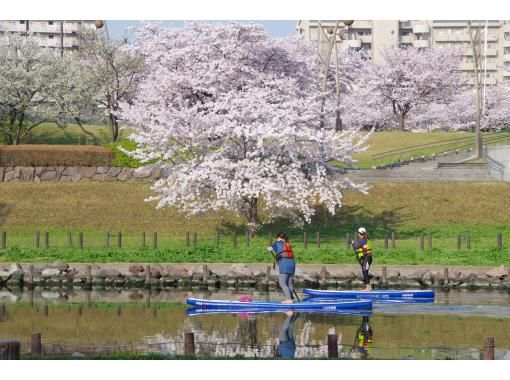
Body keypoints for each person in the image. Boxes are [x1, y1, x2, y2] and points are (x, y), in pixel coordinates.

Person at [268, 232, 296, 303]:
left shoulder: (277, 243)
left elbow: (270, 249)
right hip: (292, 264)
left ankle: (289, 299)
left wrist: (269, 248)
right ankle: (291, 298)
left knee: (282, 283)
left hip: (284, 265)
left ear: (279, 238)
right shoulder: (288, 244)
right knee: (289, 283)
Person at [351, 227, 373, 292]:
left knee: (364, 271)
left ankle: (368, 288)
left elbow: (356, 246)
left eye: (358, 233)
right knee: (364, 271)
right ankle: (369, 287)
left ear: (360, 233)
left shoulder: (362, 240)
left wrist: (352, 242)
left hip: (367, 258)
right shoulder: (365, 239)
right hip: (366, 258)